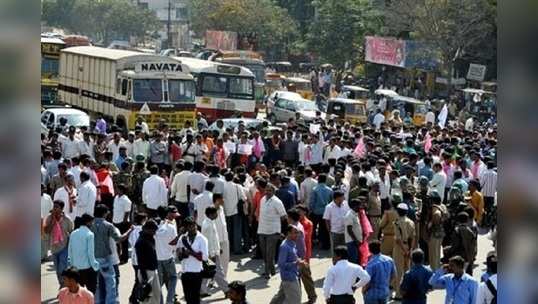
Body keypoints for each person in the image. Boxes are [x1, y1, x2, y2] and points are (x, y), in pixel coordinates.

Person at [287, 208, 317, 303]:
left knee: (305, 278)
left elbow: (300, 245)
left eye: (288, 217)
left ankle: (312, 297)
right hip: (300, 257)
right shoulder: (296, 226)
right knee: (300, 278)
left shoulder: (296, 229)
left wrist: (300, 259)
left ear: (290, 218)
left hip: (299, 257)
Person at [176, 216, 208, 304]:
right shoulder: (182, 238)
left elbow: (204, 257)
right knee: (188, 298)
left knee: (195, 298)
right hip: (185, 273)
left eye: (193, 225)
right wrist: (183, 254)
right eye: (189, 226)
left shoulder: (202, 239)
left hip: (196, 273)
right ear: (186, 227)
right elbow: (178, 255)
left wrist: (191, 253)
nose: (192, 228)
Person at [258, 184, 287, 279]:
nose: (267, 192)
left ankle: (267, 272)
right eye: (266, 190)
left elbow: (284, 216)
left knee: (269, 253)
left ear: (273, 192)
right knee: (264, 253)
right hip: (262, 230)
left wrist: (280, 231)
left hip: (273, 231)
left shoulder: (277, 202)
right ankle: (272, 270)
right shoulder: (262, 199)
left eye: (269, 190)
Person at [269, 225, 303, 304]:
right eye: (295, 233)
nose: (297, 235)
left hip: (292, 275)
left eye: (297, 233)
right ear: (288, 233)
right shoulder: (284, 246)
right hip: (289, 278)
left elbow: (292, 257)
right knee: (295, 300)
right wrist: (295, 263)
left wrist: (298, 262)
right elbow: (281, 264)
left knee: (279, 298)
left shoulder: (292, 243)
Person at [44, 200, 75, 287]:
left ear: (61, 209)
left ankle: (64, 287)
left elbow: (71, 232)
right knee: (58, 270)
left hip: (64, 247)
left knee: (62, 269)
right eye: (54, 207)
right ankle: (62, 285)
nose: (54, 209)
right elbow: (46, 231)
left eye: (56, 207)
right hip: (53, 248)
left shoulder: (67, 219)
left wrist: (70, 246)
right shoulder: (49, 218)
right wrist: (53, 221)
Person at [200, 206, 229, 297]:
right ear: (210, 214)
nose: (217, 215)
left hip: (213, 252)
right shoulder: (207, 225)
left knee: (207, 272)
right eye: (215, 213)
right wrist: (212, 253)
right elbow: (208, 241)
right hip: (211, 253)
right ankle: (227, 290)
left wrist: (218, 248)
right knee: (218, 272)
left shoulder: (210, 222)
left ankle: (202, 290)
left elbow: (214, 239)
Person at [67, 213, 99, 294]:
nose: (92, 224)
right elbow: (90, 254)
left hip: (75, 268)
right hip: (87, 268)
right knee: (90, 293)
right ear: (88, 222)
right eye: (92, 222)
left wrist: (70, 265)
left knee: (77, 293)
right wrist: (96, 266)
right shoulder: (90, 234)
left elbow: (70, 251)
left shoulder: (73, 233)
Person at [155, 206, 180, 304]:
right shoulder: (171, 226)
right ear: (167, 214)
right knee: (173, 278)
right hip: (168, 258)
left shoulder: (153, 226)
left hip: (157, 258)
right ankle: (170, 301)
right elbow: (174, 242)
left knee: (159, 283)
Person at [393, 203, 416, 300]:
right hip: (408, 247)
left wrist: (403, 250)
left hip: (400, 248)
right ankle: (408, 292)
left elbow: (398, 239)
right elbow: (413, 237)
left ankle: (398, 294)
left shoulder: (396, 222)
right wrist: (410, 250)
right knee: (407, 271)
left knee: (398, 271)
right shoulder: (411, 222)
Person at [135, 219, 161, 304]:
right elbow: (140, 262)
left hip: (153, 270)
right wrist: (145, 279)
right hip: (146, 272)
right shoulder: (140, 242)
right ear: (147, 229)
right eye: (153, 230)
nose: (155, 232)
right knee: (147, 298)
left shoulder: (150, 238)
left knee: (157, 295)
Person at [310, 174, 333, 250]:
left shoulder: (314, 189)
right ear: (325, 180)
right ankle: (325, 245)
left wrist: (311, 210)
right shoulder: (329, 190)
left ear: (318, 180)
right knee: (324, 229)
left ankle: (312, 244)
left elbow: (312, 202)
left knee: (313, 228)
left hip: (316, 212)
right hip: (325, 212)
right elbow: (331, 202)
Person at [112, 184, 132, 264]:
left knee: (124, 242)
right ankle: (118, 256)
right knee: (116, 241)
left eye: (118, 189)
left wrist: (124, 222)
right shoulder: (116, 198)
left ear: (122, 190)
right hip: (115, 221)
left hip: (122, 223)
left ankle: (124, 258)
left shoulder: (126, 200)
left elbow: (127, 212)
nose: (116, 190)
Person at [344, 199, 363, 265]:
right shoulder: (349, 215)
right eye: (359, 205)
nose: (361, 207)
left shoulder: (355, 214)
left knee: (357, 260)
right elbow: (349, 230)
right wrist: (356, 240)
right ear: (355, 206)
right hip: (352, 242)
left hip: (356, 242)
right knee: (353, 261)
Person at [41, 184, 54, 261]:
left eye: (43, 188)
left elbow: (51, 209)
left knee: (45, 239)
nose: (42, 190)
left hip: (45, 222)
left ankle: (44, 255)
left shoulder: (48, 197)